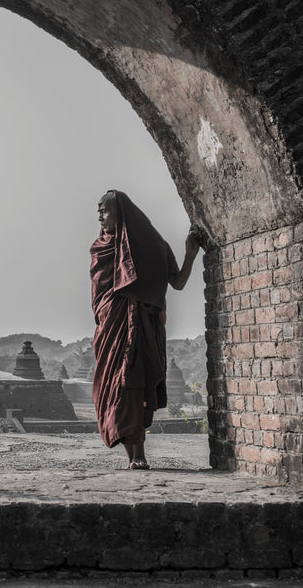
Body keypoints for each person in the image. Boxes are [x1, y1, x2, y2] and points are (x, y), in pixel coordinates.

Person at [90, 189, 201, 470]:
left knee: (133, 387)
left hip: (141, 327)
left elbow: (176, 282)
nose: (99, 216)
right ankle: (133, 455)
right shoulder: (101, 247)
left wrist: (190, 253)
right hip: (112, 331)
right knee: (118, 388)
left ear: (121, 212)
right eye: (98, 211)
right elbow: (100, 294)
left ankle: (138, 456)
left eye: (104, 210)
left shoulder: (151, 245)